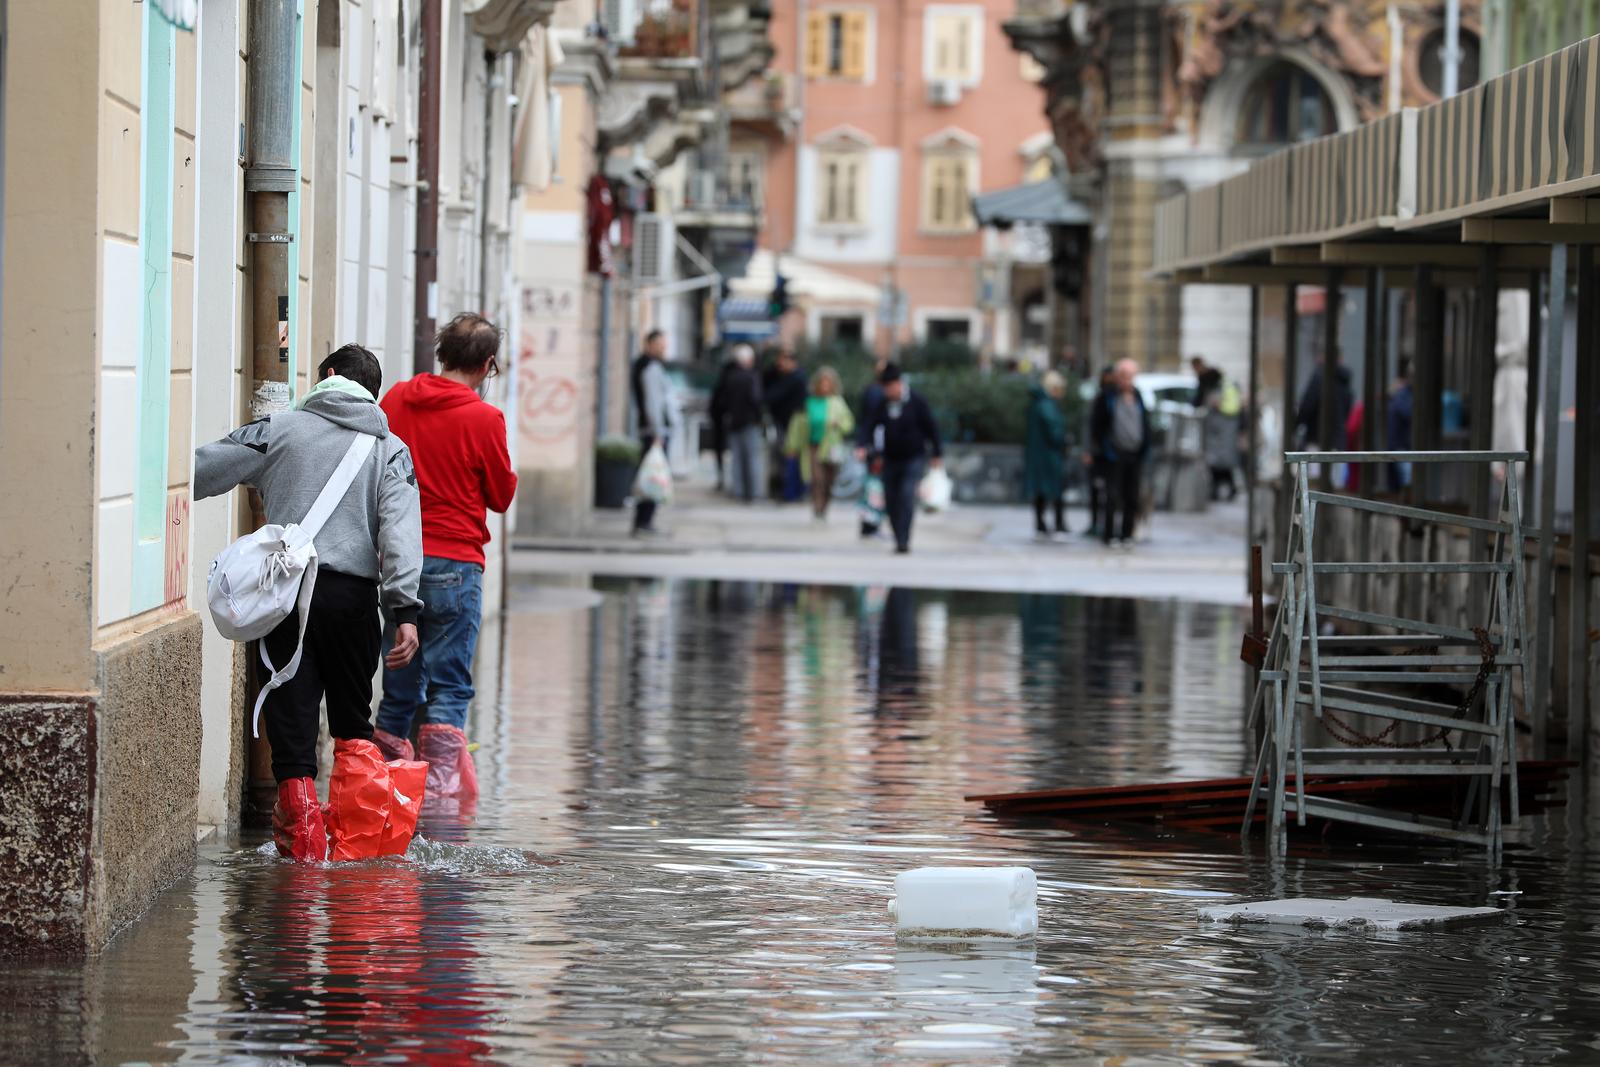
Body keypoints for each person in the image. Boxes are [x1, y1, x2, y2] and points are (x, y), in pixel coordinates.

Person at [194, 344, 423, 862]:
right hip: (353, 600)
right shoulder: (392, 450)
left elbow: (201, 470)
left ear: (328, 376)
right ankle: (358, 851)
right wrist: (405, 611)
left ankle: (300, 858)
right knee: (352, 724)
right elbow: (402, 537)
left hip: (287, 594)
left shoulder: (281, 429)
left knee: (291, 718)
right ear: (372, 392)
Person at [371, 313, 517, 805]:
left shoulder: (394, 400)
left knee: (398, 685)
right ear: (488, 365)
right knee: (450, 686)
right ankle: (438, 801)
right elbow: (500, 495)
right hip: (456, 565)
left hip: (399, 564)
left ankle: (385, 792)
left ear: (442, 354)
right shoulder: (484, 418)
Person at [857, 362, 943, 554]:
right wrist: (862, 445)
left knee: (906, 495)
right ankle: (898, 535)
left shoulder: (916, 401)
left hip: (913, 457)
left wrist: (937, 452)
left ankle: (904, 539)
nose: (889, 391)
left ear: (899, 384)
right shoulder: (883, 404)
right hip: (890, 458)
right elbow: (869, 425)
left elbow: (931, 427)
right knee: (891, 499)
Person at [1089, 358, 1151, 548]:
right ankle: (1109, 534)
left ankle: (1127, 534)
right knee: (1112, 496)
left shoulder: (1138, 396)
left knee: (1131, 497)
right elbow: (1096, 427)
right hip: (1113, 455)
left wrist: (1144, 448)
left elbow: (1145, 424)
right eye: (1124, 375)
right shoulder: (1107, 397)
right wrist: (1103, 449)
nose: (1127, 380)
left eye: (1131, 376)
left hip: (1134, 454)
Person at [785, 365, 855, 521]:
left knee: (830, 479)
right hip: (813, 445)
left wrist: (838, 424)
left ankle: (824, 507)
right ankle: (817, 508)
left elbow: (848, 423)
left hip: (831, 447)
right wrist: (792, 446)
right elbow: (797, 425)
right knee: (817, 479)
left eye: (828, 383)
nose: (824, 386)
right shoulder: (808, 402)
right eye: (822, 383)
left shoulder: (837, 402)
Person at [630, 328, 678, 535]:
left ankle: (644, 521)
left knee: (651, 475)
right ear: (649, 344)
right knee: (652, 477)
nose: (663, 349)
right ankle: (643, 521)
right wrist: (658, 432)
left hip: (651, 430)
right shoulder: (649, 367)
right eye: (660, 345)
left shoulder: (648, 365)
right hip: (653, 431)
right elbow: (653, 403)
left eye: (664, 345)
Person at [710, 343, 765, 502]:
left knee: (737, 459)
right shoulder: (751, 377)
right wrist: (758, 416)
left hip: (733, 421)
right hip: (749, 422)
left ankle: (738, 491)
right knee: (752, 458)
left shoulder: (729, 377)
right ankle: (754, 492)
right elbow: (756, 400)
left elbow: (721, 401)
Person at [1024, 370, 1070, 539]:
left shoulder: (1037, 403)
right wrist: (1063, 442)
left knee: (1041, 491)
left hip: (1039, 454)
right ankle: (1057, 523)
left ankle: (1042, 524)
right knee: (1054, 489)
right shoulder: (1047, 405)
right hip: (1049, 455)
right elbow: (1055, 432)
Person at [763, 346, 809, 501]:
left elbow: (771, 395)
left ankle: (791, 492)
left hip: (792, 426)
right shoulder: (788, 376)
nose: (780, 365)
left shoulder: (795, 378)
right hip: (785, 423)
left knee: (789, 459)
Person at [858, 352, 892, 538]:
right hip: (877, 449)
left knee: (875, 488)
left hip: (879, 448)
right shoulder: (876, 393)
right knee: (874, 488)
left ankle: (872, 523)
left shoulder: (875, 391)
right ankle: (870, 524)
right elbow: (868, 422)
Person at [1082, 365, 1116, 538]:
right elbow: (1090, 426)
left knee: (1111, 491)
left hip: (1114, 453)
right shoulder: (1099, 399)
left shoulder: (1117, 398)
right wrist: (1087, 450)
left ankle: (1108, 524)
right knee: (1096, 490)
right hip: (1098, 452)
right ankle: (1096, 523)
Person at [1202, 370, 1243, 501]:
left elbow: (1218, 404)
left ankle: (1224, 489)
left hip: (1221, 431)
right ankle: (1222, 489)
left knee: (1220, 462)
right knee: (1220, 463)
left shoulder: (1220, 388)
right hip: (1221, 431)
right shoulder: (1227, 386)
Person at [1387, 361, 1414, 492]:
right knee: (1407, 482)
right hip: (1401, 446)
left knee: (1406, 481)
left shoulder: (1403, 395)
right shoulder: (1402, 396)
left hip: (1402, 445)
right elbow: (1408, 413)